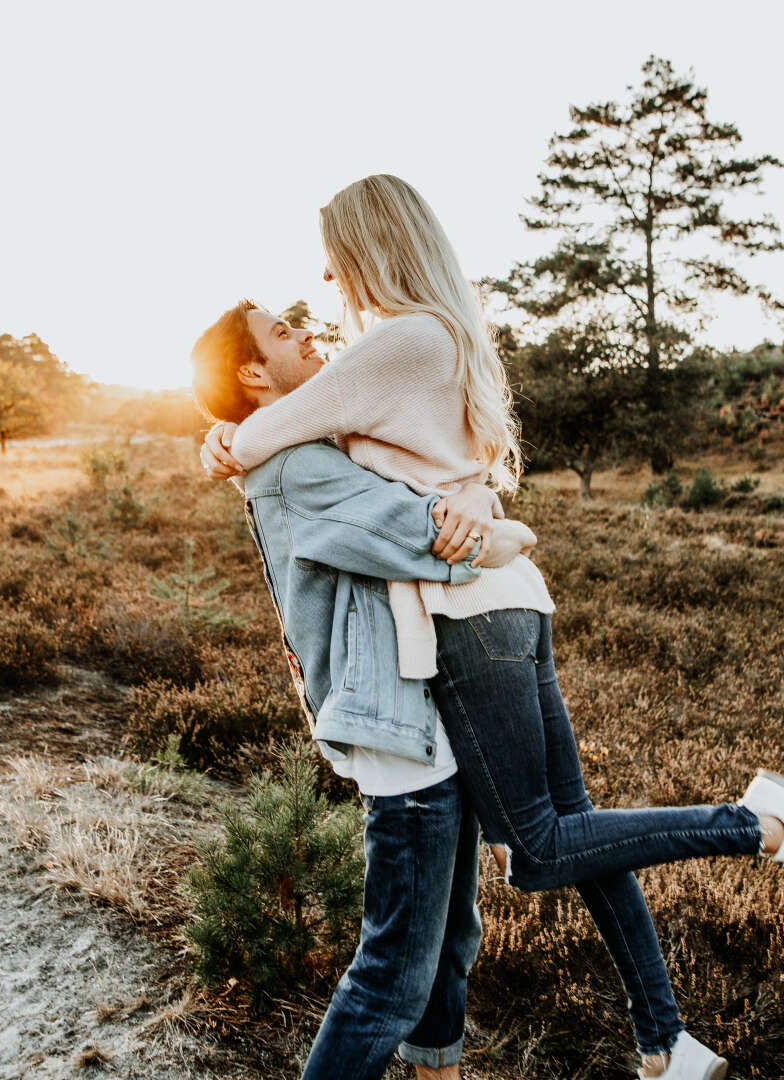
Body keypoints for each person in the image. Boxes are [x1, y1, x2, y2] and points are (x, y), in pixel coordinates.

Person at [196, 173, 784, 1080]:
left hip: (465, 610)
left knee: (544, 844)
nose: (325, 288)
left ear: (370, 246)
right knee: (575, 831)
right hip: (506, 595)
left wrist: (215, 439)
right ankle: (664, 1039)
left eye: (332, 265)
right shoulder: (434, 335)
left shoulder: (400, 340)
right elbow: (383, 464)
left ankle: (757, 825)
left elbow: (262, 438)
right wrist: (504, 527)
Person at [190, 300, 533, 1080]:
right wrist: (504, 528)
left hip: (420, 713)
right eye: (283, 332)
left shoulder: (306, 443)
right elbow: (434, 537)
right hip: (394, 728)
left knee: (449, 941)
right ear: (251, 371)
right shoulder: (297, 466)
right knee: (390, 979)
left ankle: (438, 1072)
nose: (307, 334)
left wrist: (474, 497)